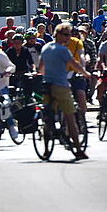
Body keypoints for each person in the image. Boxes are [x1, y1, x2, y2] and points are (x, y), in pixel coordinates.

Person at [39, 23, 92, 159]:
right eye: (67, 34)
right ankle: (78, 149)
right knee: (70, 117)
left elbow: (40, 68)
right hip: (61, 85)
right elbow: (74, 64)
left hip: (47, 86)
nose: (69, 37)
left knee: (48, 117)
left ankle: (46, 150)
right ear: (59, 35)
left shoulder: (45, 48)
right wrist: (85, 74)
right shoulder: (63, 50)